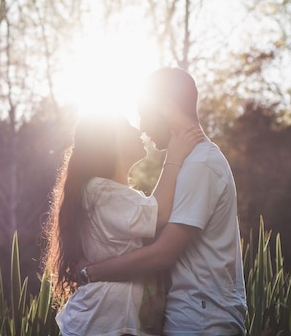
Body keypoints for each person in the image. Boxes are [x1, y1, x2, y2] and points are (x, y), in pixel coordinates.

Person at [80, 67, 247, 336]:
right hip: (193, 316)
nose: (143, 127)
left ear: (167, 109)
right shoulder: (189, 162)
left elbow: (163, 252)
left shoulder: (200, 164)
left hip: (201, 321)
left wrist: (92, 272)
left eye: (144, 114)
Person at [42, 112, 203, 336]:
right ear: (108, 143)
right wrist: (175, 156)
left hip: (104, 322)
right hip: (99, 323)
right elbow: (159, 214)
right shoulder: (99, 190)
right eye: (128, 128)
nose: (138, 131)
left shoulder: (108, 193)